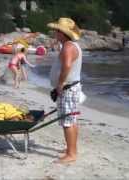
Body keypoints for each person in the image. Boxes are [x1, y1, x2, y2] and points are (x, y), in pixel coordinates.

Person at [48, 17, 82, 164]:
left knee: (67, 122)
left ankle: (71, 154)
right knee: (72, 120)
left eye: (56, 30)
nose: (54, 32)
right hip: (73, 87)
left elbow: (67, 65)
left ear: (62, 32)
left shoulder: (68, 46)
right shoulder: (72, 45)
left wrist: (60, 84)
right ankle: (72, 149)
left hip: (67, 89)